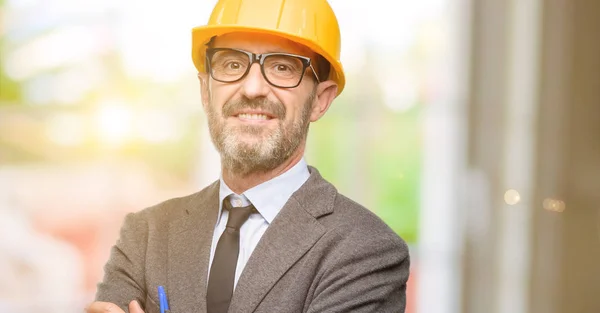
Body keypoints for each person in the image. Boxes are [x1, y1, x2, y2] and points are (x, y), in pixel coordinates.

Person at [87, 0, 410, 312]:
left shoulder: (366, 250)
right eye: (232, 64)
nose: (252, 87)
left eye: (282, 67)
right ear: (205, 91)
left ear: (319, 100)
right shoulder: (145, 234)